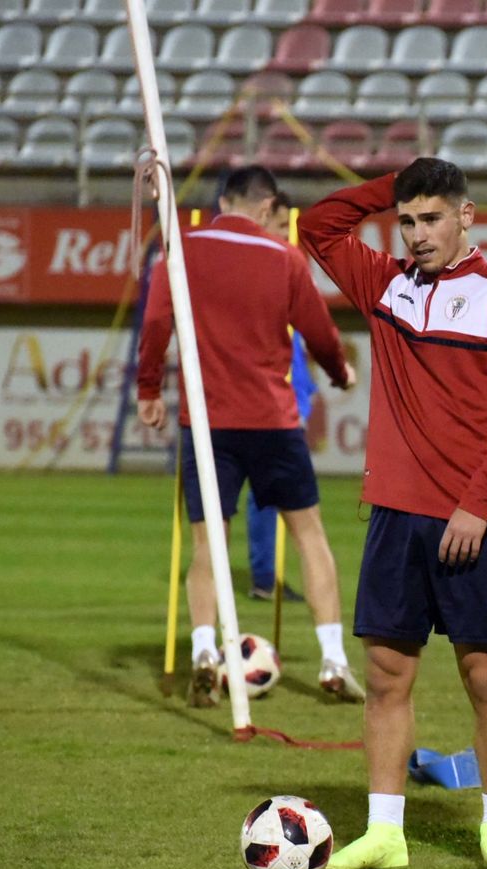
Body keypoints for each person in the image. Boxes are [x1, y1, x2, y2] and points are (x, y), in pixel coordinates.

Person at [300, 158, 487, 869]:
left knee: (486, 680)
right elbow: (317, 226)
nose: (416, 234)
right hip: (395, 517)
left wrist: (478, 502)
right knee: (384, 677)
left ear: (467, 216)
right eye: (406, 221)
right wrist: (392, 186)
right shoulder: (388, 288)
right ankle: (385, 832)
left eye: (432, 217)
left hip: (473, 519)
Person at [136, 165, 364, 707]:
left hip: (207, 422)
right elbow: (319, 331)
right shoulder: (283, 257)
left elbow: (155, 325)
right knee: (309, 535)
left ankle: (202, 655)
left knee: (206, 543)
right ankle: (333, 661)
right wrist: (338, 371)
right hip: (272, 420)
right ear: (267, 208)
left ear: (223, 201)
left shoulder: (179, 252)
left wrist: (148, 389)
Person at [246, 189, 318, 604]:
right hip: (273, 395)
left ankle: (264, 575)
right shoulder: (265, 266)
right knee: (271, 493)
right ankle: (264, 576)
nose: (285, 234)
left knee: (270, 495)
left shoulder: (285, 263)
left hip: (290, 386)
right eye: (279, 225)